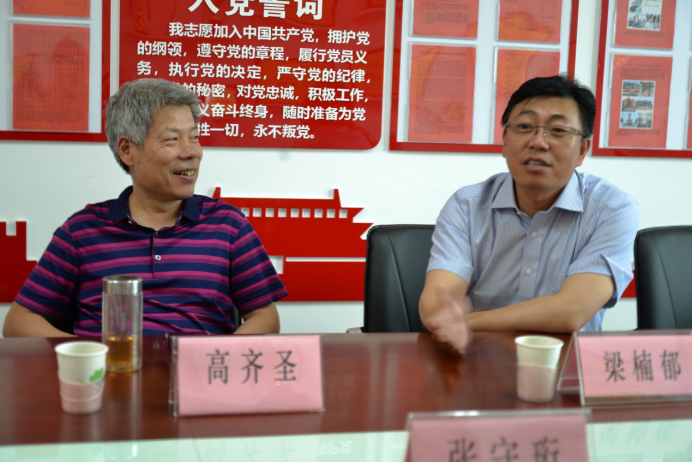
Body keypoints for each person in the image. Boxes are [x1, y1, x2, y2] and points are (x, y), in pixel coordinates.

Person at [3, 78, 288, 337]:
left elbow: (264, 317)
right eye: (172, 139)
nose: (191, 152)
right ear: (127, 150)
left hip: (197, 373)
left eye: (194, 137)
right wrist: (90, 356)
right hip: (111, 373)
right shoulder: (82, 231)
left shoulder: (228, 224)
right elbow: (19, 323)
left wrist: (215, 359)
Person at [419, 75, 639, 355]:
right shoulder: (466, 205)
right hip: (476, 362)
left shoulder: (611, 209)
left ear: (582, 150)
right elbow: (439, 299)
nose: (538, 142)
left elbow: (571, 311)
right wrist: (443, 312)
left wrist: (466, 322)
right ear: (504, 141)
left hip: (568, 368)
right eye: (524, 127)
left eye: (558, 130)